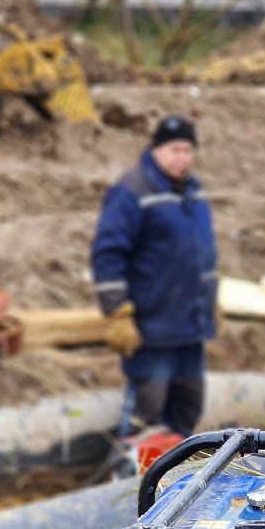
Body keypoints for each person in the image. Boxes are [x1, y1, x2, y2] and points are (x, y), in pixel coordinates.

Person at [91, 115, 218, 437]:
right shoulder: (131, 192)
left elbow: (201, 253)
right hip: (152, 329)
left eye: (188, 150)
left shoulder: (194, 191)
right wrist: (117, 312)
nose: (182, 158)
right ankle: (128, 478)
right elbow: (107, 254)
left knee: (188, 408)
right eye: (175, 150)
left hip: (189, 326)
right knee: (146, 414)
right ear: (156, 150)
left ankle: (176, 482)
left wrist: (210, 301)